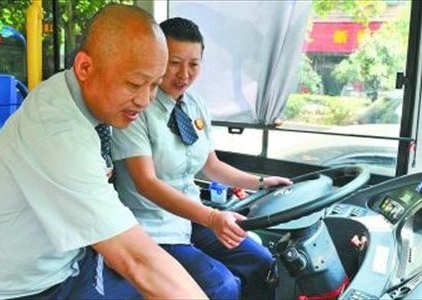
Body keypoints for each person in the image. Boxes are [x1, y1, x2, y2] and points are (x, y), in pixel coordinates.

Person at [0, 5, 207, 300]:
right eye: (135, 84)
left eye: (154, 84)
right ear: (85, 67)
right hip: (4, 288)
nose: (145, 100)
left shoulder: (92, 99)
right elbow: (136, 261)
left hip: (66, 266)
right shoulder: (57, 132)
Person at [112, 17, 293, 299]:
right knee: (223, 286)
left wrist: (262, 182)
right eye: (174, 62)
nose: (184, 73)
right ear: (157, 58)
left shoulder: (195, 105)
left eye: (193, 64)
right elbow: (145, 183)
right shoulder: (136, 109)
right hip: (152, 228)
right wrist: (212, 218)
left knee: (262, 261)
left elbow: (211, 166)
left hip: (191, 218)